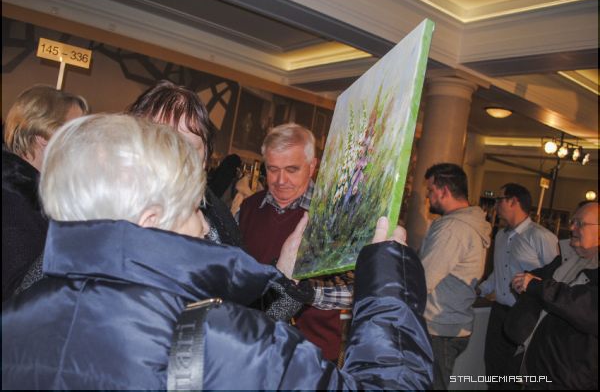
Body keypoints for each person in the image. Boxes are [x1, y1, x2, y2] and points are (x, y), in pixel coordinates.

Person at [2, 114, 433, 390]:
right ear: (151, 219)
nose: (208, 225)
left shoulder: (17, 314)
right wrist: (390, 282)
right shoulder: (214, 338)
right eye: (193, 208)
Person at [237, 123, 354, 361]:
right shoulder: (248, 208)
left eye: (292, 169)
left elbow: (353, 290)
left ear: (312, 166)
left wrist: (302, 292)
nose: (281, 180)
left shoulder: (335, 217)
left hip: (310, 356)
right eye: (272, 169)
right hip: (253, 347)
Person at [127, 79, 241, 247]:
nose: (176, 159)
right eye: (163, 144)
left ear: (205, 159)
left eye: (188, 147)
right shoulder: (112, 214)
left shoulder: (220, 216)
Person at [2, 84, 88, 300]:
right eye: (75, 130)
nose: (83, 141)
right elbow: (19, 293)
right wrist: (74, 233)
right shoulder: (11, 198)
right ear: (45, 135)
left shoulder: (39, 193)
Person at [505, 201, 598, 390]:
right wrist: (525, 283)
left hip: (567, 380)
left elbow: (586, 308)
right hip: (536, 368)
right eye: (573, 222)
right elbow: (537, 284)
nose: (572, 227)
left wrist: (535, 286)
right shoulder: (565, 258)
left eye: (580, 223)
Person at [477, 183, 559, 389]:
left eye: (499, 200)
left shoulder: (541, 237)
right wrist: (480, 289)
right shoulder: (501, 235)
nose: (496, 205)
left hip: (525, 315)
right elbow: (498, 272)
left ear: (513, 201)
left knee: (515, 373)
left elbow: (556, 277)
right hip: (499, 312)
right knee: (493, 370)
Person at [419, 163, 492, 390]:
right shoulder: (464, 223)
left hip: (439, 329)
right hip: (450, 324)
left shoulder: (453, 229)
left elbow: (423, 281)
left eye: (431, 190)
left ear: (444, 191)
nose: (428, 196)